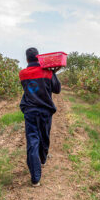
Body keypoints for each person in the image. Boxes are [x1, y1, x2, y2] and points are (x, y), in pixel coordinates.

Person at [19, 47, 61, 187]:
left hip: (30, 112)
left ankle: (35, 178)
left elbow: (30, 88)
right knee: (44, 137)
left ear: (27, 59)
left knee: (32, 141)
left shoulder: (23, 74)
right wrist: (54, 73)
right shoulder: (47, 73)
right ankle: (42, 160)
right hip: (45, 112)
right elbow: (57, 89)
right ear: (39, 58)